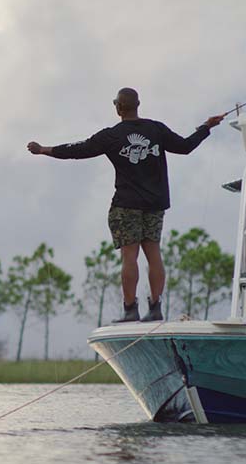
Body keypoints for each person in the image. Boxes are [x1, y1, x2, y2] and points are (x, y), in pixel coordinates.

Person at [27, 87, 223, 323]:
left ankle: (130, 309)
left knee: (129, 257)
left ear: (119, 107)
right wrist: (205, 128)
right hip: (155, 203)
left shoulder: (112, 135)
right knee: (154, 253)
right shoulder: (156, 129)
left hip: (126, 205)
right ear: (138, 105)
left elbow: (78, 150)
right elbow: (185, 146)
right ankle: (156, 307)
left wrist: (43, 150)